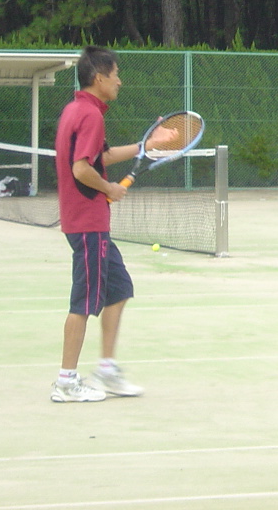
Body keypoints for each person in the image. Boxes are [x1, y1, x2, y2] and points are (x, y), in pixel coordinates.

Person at [50, 46, 175, 403]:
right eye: (116, 74)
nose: (120, 81)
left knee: (118, 289)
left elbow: (100, 156)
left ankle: (106, 369)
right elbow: (81, 169)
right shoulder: (90, 115)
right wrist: (108, 188)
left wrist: (146, 145)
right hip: (87, 223)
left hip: (88, 223)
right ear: (99, 77)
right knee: (83, 302)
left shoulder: (77, 109)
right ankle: (66, 381)